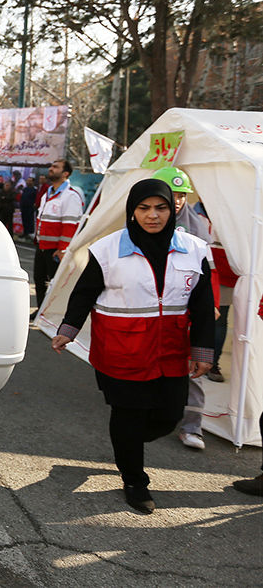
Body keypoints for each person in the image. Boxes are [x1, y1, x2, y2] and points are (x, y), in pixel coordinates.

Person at [51, 179, 214, 514]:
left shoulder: (196, 249)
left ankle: (126, 444)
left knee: (169, 415)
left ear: (173, 209)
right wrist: (68, 330)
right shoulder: (107, 249)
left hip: (170, 350)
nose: (152, 215)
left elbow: (202, 304)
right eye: (144, 208)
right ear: (132, 211)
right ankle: (135, 479)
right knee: (128, 413)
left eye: (161, 207)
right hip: (120, 351)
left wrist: (202, 350)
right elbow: (84, 294)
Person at [151, 167, 219, 452]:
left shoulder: (198, 225)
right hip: (154, 307)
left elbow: (210, 270)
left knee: (192, 363)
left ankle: (192, 425)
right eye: (172, 193)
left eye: (181, 194)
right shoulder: (146, 220)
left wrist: (211, 303)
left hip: (188, 308)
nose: (177, 200)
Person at [32, 159, 85, 319]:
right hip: (41, 246)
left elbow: (70, 226)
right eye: (51, 165)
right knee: (39, 281)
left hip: (55, 250)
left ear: (65, 174)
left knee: (56, 284)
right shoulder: (47, 194)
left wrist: (62, 249)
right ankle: (41, 310)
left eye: (55, 167)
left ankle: (53, 313)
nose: (50, 169)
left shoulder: (70, 196)